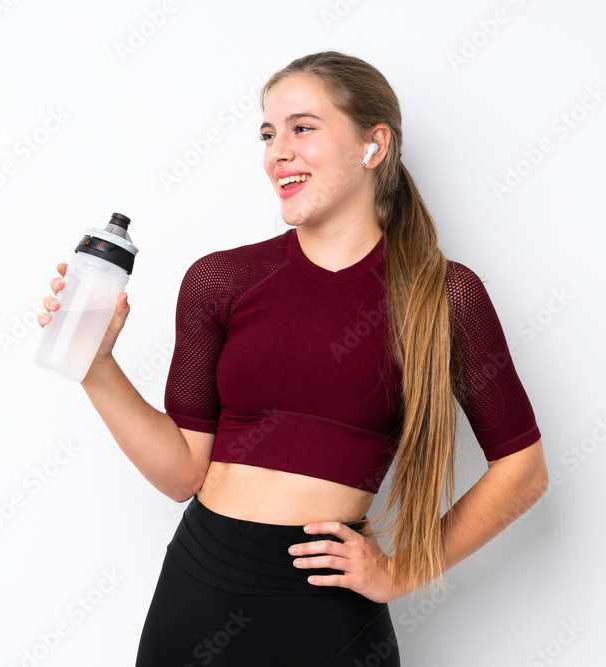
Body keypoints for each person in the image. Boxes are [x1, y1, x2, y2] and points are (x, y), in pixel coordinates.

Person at [38, 50, 548, 666]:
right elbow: (181, 474)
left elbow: (523, 471)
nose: (277, 151)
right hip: (197, 591)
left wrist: (401, 572)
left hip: (325, 615)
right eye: (268, 133)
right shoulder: (220, 280)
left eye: (302, 127)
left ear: (373, 144)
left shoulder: (441, 296)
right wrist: (96, 367)